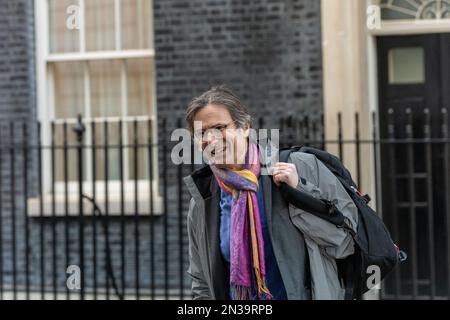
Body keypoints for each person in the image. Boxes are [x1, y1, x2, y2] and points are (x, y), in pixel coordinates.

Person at [183, 85, 358, 300]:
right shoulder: (203, 199)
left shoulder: (300, 167)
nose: (210, 139)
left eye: (219, 127)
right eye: (201, 133)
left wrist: (300, 192)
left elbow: (345, 243)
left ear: (245, 127)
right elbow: (201, 281)